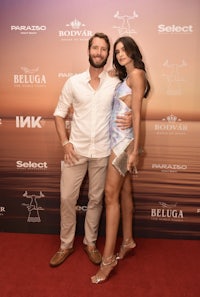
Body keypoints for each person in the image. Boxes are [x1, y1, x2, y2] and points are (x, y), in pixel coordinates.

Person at [50, 33, 131, 267]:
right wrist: (65, 143)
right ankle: (65, 245)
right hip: (76, 150)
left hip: (103, 151)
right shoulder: (73, 82)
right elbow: (58, 113)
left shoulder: (115, 83)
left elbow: (131, 101)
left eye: (104, 49)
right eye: (95, 48)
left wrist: (131, 117)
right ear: (88, 51)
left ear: (107, 54)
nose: (99, 52)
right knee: (67, 198)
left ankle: (90, 243)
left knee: (96, 199)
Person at [91, 36, 150, 283]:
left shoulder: (137, 75)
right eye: (117, 51)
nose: (120, 54)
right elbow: (125, 107)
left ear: (133, 50)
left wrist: (135, 149)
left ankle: (107, 261)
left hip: (123, 144)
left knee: (110, 196)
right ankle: (127, 240)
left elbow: (135, 113)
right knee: (125, 193)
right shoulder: (125, 76)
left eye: (124, 50)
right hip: (117, 141)